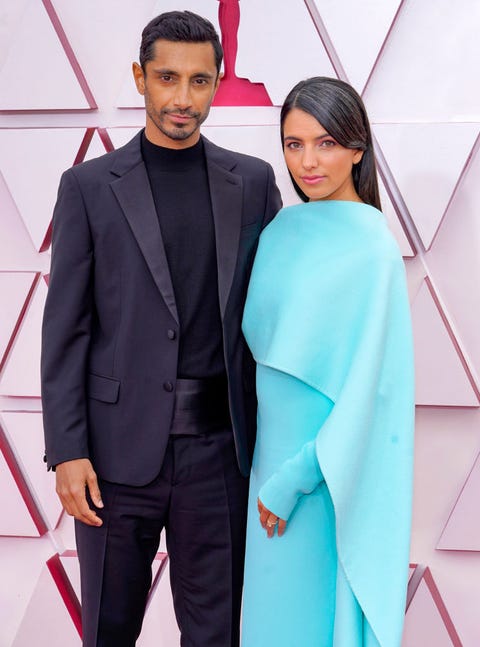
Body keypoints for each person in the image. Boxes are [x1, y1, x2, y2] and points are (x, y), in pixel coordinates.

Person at [41, 10, 281, 647]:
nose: (183, 98)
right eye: (167, 78)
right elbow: (64, 328)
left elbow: (274, 322)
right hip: (113, 458)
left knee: (217, 635)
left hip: (221, 457)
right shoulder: (88, 187)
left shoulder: (254, 183)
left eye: (200, 81)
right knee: (110, 630)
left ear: (218, 82)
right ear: (139, 78)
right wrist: (67, 450)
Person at [241, 77, 414, 647]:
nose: (308, 162)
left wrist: (289, 484)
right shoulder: (281, 229)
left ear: (357, 148)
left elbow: (366, 398)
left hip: (319, 485)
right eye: (294, 144)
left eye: (326, 143)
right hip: (264, 476)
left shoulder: (374, 249)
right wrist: (267, 482)